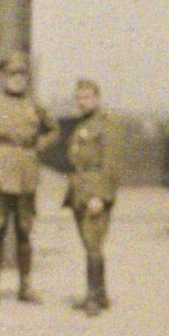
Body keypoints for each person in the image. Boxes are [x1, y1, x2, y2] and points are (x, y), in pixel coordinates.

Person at [0, 51, 57, 306]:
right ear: (2, 76)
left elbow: (53, 129)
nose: (18, 79)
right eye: (13, 74)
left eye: (22, 75)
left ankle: (25, 287)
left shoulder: (34, 104)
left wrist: (39, 144)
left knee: (25, 231)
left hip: (26, 176)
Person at [64, 78, 128, 315]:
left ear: (97, 99)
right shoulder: (82, 125)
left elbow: (110, 165)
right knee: (89, 243)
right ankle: (100, 294)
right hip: (79, 190)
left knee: (93, 243)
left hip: (95, 192)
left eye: (88, 97)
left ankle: (93, 296)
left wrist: (100, 196)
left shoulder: (106, 125)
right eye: (79, 97)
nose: (83, 102)